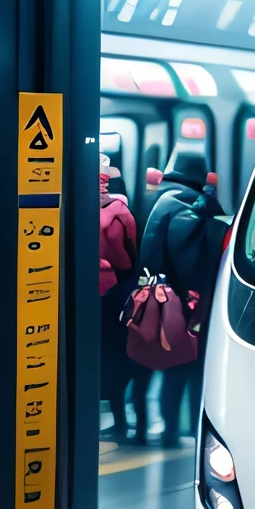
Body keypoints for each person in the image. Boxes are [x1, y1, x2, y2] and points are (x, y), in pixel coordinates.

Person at [136, 147, 225, 445]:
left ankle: (161, 427)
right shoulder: (193, 205)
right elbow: (195, 258)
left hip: (153, 296)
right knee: (189, 365)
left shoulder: (156, 200)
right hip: (185, 301)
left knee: (157, 363)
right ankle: (187, 427)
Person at [98, 157, 138, 440]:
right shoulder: (122, 213)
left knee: (98, 355)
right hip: (118, 292)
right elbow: (132, 254)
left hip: (90, 292)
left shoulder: (78, 208)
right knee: (121, 355)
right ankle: (123, 420)